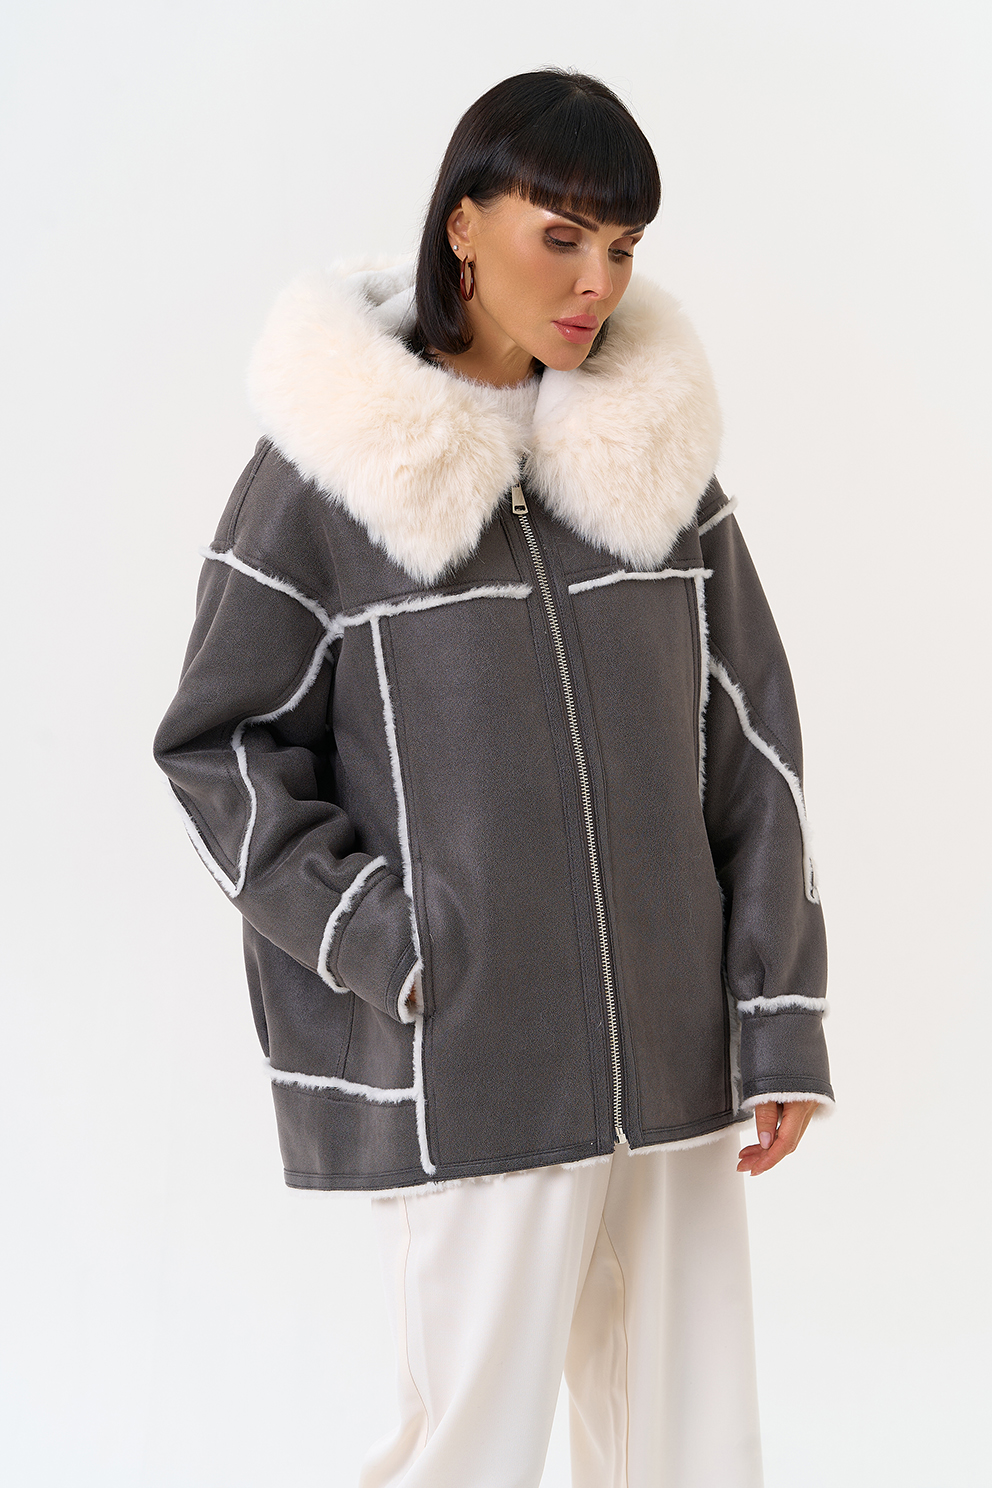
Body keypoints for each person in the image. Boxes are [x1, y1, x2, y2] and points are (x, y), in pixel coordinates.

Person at [155, 68, 833, 1488]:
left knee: (691, 1450)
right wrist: (392, 945)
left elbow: (752, 742)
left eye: (623, 247)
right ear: (464, 225)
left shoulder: (656, 471)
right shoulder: (330, 477)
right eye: (561, 235)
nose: (597, 283)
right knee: (465, 1450)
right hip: (472, 1055)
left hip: (674, 1051)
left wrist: (774, 1017)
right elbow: (219, 744)